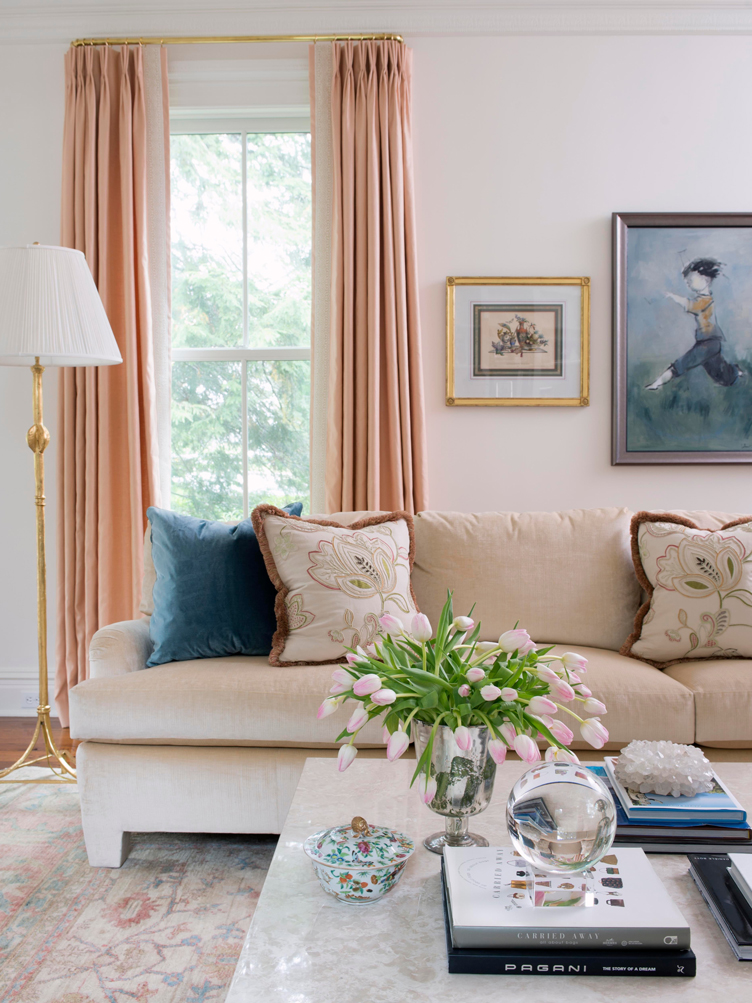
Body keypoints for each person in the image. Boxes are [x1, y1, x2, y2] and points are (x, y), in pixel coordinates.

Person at [645, 257, 743, 390]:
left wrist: (672, 296)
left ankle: (658, 383)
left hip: (709, 343)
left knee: (683, 363)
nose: (688, 283)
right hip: (707, 343)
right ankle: (736, 372)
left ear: (705, 280)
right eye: (687, 281)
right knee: (721, 376)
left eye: (690, 280)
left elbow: (691, 305)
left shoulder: (705, 301)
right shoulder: (704, 299)